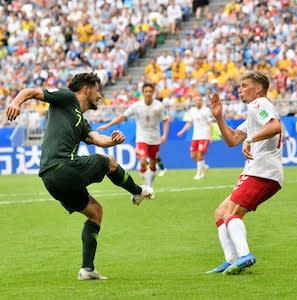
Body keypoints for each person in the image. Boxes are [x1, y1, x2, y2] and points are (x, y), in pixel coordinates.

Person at [5, 73, 153, 280]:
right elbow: (30, 91)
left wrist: (112, 139)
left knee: (95, 212)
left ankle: (87, 269)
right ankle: (138, 192)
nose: (100, 96)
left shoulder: (80, 121)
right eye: (98, 90)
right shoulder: (66, 97)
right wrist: (15, 102)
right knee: (107, 162)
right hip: (61, 168)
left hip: (52, 180)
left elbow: (98, 139)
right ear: (86, 89)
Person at [208, 71, 284, 275]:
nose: (240, 90)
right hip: (258, 171)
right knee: (221, 213)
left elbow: (276, 126)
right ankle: (231, 259)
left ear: (258, 89)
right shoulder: (254, 113)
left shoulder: (258, 104)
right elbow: (233, 139)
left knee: (232, 214)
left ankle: (244, 255)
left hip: (262, 171)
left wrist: (250, 140)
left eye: (244, 85)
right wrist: (219, 117)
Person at [98, 83, 169, 190]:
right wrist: (108, 125)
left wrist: (164, 135)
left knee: (153, 164)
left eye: (150, 91)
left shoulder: (159, 106)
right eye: (146, 91)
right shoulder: (137, 106)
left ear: (153, 92)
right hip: (142, 138)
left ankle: (149, 184)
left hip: (155, 139)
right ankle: (147, 186)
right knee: (143, 160)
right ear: (143, 93)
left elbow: (166, 120)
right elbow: (123, 117)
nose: (148, 93)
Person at [177, 95, 213, 179]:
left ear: (202, 101)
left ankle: (199, 174)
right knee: (193, 156)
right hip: (195, 136)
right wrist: (182, 131)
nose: (198, 102)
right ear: (194, 102)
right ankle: (204, 166)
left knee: (200, 154)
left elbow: (210, 124)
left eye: (199, 100)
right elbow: (189, 123)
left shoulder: (206, 110)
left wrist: (210, 136)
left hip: (204, 135)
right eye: (196, 100)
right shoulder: (192, 111)